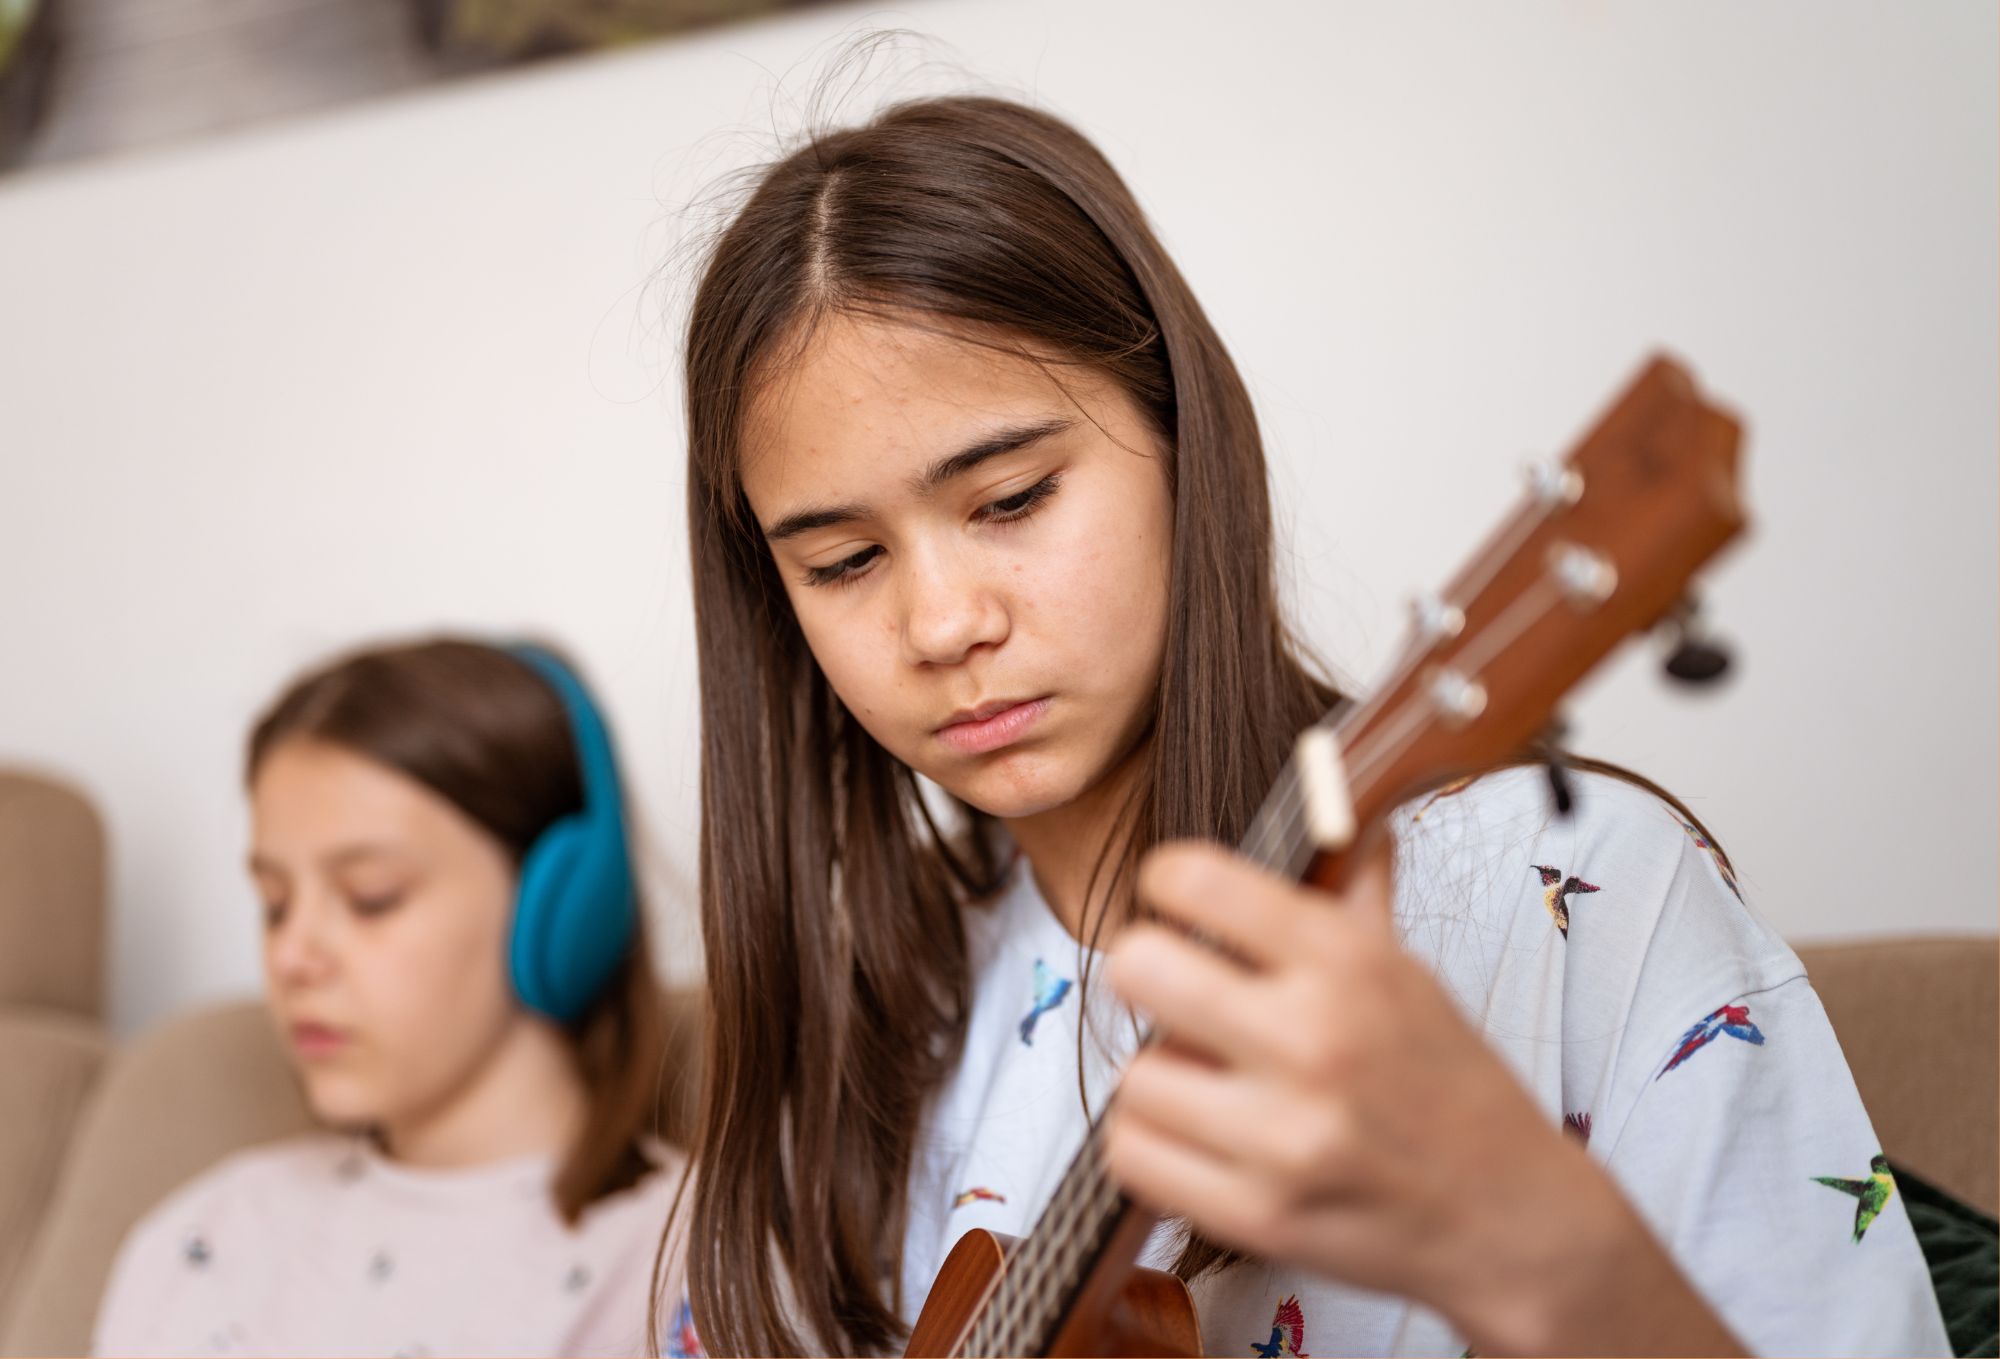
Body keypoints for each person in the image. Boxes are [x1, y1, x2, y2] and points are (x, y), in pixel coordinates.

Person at [657, 92, 1950, 1357]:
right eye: (840, 562)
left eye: (1010, 497)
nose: (940, 622)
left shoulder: (1569, 896)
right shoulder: (859, 1028)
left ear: (1183, 440)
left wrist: (1537, 1240)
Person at [94, 638, 683, 1358]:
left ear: (562, 910)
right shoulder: (202, 1238)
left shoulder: (698, 1264)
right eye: (275, 903)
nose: (289, 955)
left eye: (370, 897)